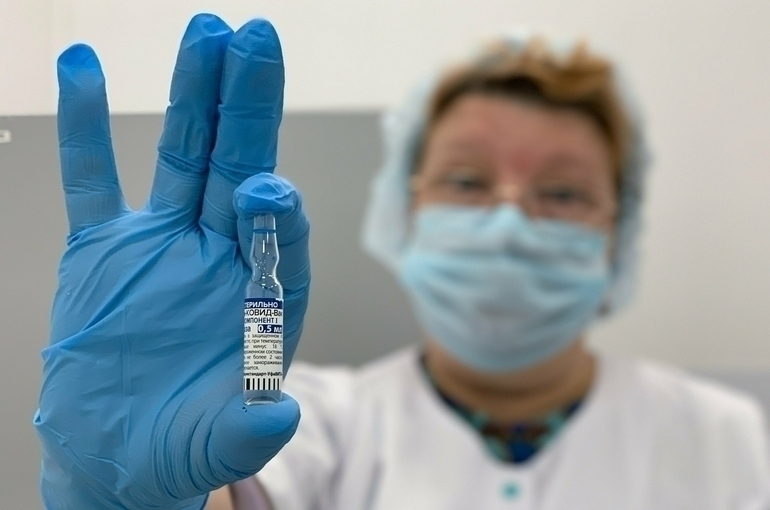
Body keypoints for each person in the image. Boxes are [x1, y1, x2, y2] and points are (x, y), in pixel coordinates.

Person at [34, 13, 770, 510]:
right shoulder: (306, 421)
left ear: (619, 233)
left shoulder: (721, 435)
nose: (508, 224)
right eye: (467, 182)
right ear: (403, 213)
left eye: (564, 192)